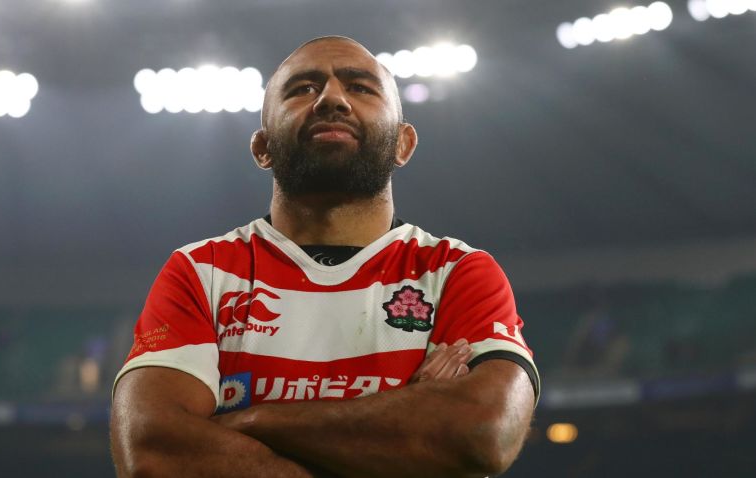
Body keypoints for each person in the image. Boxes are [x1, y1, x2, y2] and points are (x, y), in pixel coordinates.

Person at [110, 36, 539, 477]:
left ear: (403, 144)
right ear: (263, 148)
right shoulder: (202, 271)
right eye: (302, 89)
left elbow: (482, 432)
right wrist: (406, 415)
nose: (331, 99)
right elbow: (155, 452)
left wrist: (253, 420)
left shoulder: (457, 272)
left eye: (361, 88)